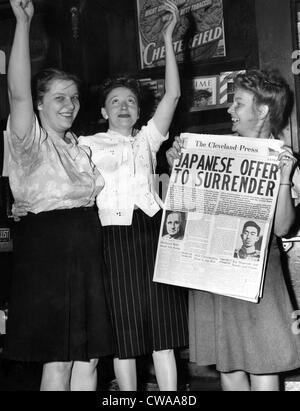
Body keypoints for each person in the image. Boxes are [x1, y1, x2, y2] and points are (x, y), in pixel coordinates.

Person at [4, 0, 114, 391]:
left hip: (85, 252)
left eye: (74, 97)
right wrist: (24, 22)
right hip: (50, 255)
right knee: (60, 361)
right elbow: (17, 92)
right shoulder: (29, 140)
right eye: (59, 98)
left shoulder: (77, 146)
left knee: (90, 360)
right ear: (39, 104)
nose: (70, 105)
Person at [167, 69, 300, 391]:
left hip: (259, 277)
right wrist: (179, 169)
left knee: (264, 363)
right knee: (228, 365)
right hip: (214, 272)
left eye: (238, 103)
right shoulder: (217, 151)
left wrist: (284, 178)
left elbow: (283, 227)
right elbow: (191, 212)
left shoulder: (282, 158)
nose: (230, 110)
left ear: (263, 110)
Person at [78, 0, 188, 391]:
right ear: (104, 111)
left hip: (154, 233)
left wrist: (168, 37)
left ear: (139, 109)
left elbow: (172, 96)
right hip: (113, 236)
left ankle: (170, 398)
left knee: (163, 328)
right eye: (115, 102)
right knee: (124, 330)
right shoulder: (86, 144)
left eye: (130, 101)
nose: (124, 106)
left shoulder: (147, 139)